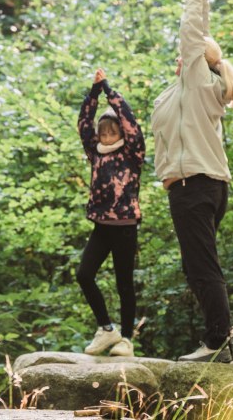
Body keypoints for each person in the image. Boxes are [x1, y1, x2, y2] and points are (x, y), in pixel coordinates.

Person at [151, 0, 233, 363]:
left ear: (198, 60)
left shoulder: (199, 83)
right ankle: (216, 341)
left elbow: (193, 33)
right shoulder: (183, 93)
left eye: (192, 54)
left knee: (202, 267)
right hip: (201, 186)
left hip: (196, 187)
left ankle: (216, 344)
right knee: (198, 266)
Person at [76, 68, 145, 358]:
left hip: (126, 225)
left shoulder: (132, 153)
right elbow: (83, 124)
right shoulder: (96, 152)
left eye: (110, 131)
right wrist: (93, 93)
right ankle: (107, 329)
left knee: (123, 283)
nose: (105, 136)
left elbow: (131, 124)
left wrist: (109, 91)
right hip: (102, 226)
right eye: (102, 132)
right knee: (84, 274)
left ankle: (126, 340)